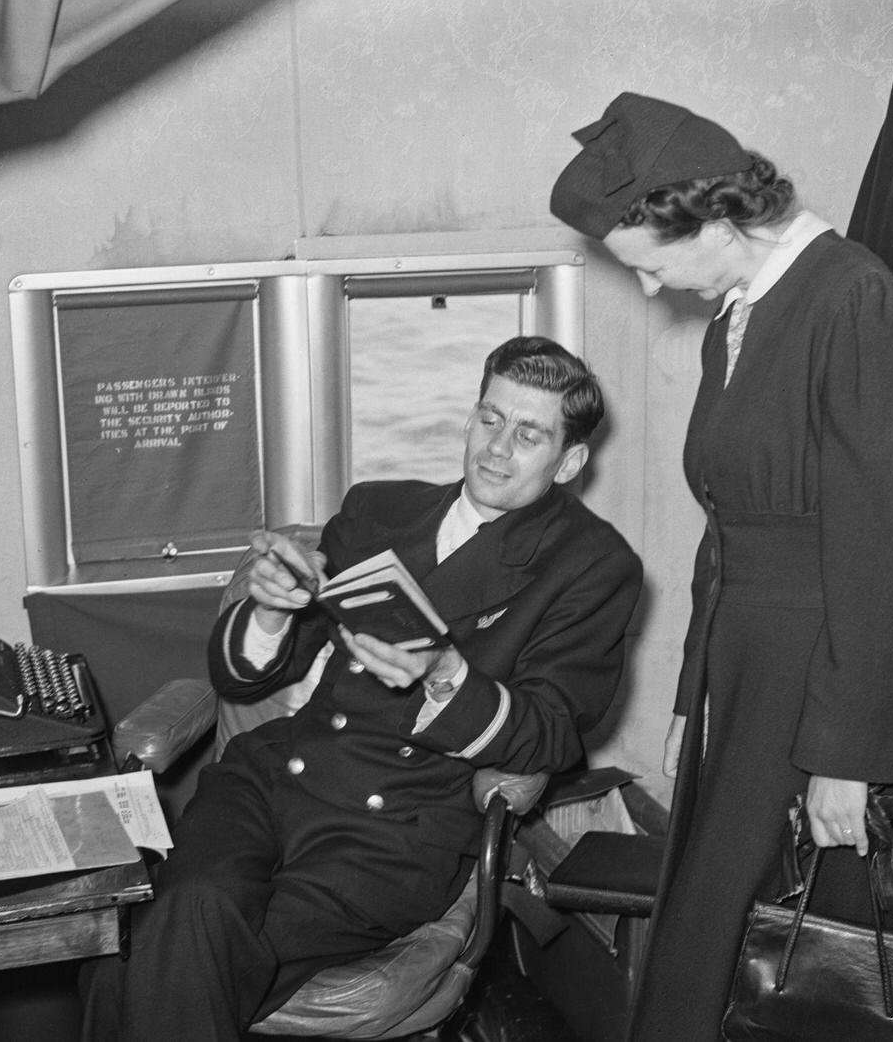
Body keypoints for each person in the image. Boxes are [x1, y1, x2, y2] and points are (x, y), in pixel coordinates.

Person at [79, 335, 642, 1042]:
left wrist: (447, 675)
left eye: (529, 434)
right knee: (170, 913)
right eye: (490, 418)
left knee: (155, 946)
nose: (497, 448)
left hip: (394, 825)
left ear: (570, 461)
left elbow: (551, 731)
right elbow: (243, 677)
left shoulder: (591, 566)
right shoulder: (379, 511)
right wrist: (272, 610)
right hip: (269, 779)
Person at [550, 93, 893, 1041]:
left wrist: (846, 760)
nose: (648, 293)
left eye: (652, 266)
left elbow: (886, 552)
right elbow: (726, 533)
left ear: (718, 218)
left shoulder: (854, 299)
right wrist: (693, 692)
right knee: (717, 939)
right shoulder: (743, 309)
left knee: (795, 964)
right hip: (748, 674)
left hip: (818, 687)